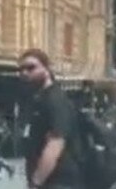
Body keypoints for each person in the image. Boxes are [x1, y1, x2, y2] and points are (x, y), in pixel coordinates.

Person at [19, 49, 83, 189]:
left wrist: (36, 182)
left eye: (31, 67)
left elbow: (55, 144)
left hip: (59, 181)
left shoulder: (55, 99)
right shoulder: (38, 99)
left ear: (46, 69)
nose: (24, 72)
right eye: (21, 69)